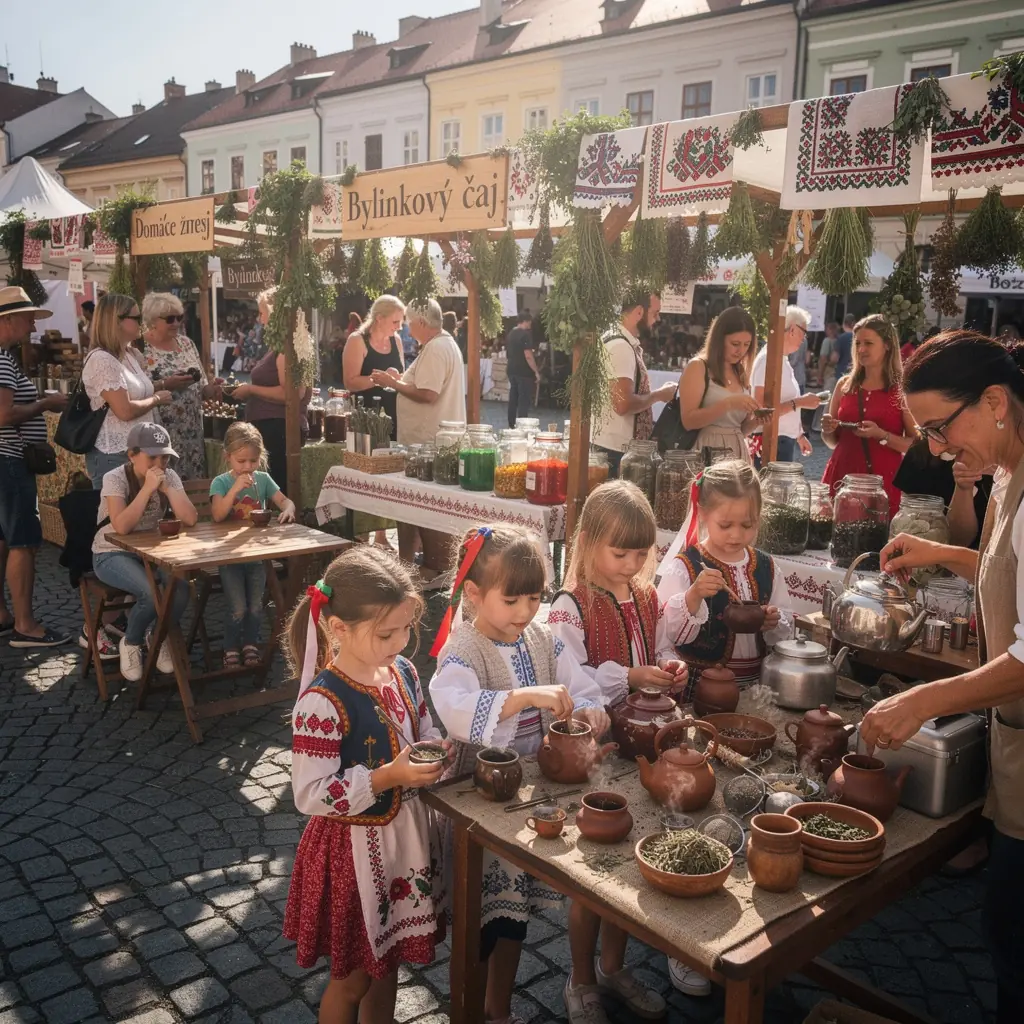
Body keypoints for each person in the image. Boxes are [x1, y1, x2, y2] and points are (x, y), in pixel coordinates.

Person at [861, 331, 1024, 1024]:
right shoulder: (1010, 472)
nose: (932, 448)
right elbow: (1005, 571)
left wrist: (926, 696)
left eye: (937, 427)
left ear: (993, 402)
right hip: (1013, 746)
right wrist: (945, 553)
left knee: (1014, 938)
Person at [430, 525, 611, 1024]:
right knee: (480, 925)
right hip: (479, 807)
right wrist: (530, 696)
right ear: (473, 594)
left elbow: (583, 684)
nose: (525, 612)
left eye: (534, 598)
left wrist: (592, 710)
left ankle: (499, 1010)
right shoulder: (463, 650)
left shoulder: (541, 638)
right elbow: (454, 707)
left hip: (534, 801)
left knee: (512, 922)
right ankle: (467, 1011)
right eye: (512, 600)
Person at [282, 546, 449, 1024]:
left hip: (405, 841)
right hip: (353, 854)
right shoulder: (321, 702)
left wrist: (436, 747)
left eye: (405, 629)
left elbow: (422, 725)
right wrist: (388, 776)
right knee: (353, 977)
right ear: (339, 629)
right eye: (386, 633)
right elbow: (310, 792)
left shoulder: (403, 672)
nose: (400, 641)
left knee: (387, 959)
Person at [550, 481, 695, 1013]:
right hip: (602, 753)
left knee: (633, 861)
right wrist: (628, 676)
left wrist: (669, 665)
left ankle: (614, 968)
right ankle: (581, 978)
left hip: (648, 748)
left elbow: (659, 646)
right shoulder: (571, 606)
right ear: (586, 542)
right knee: (595, 869)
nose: (632, 563)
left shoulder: (646, 596)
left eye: (640, 552)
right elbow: (572, 679)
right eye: (620, 552)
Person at [657, 459, 792, 692]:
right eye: (726, 525)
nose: (736, 535)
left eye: (747, 525)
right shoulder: (686, 567)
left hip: (755, 686)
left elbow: (786, 623)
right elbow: (663, 632)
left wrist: (774, 620)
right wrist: (694, 595)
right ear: (703, 514)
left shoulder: (766, 566)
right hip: (699, 688)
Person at [91, 422, 198, 681]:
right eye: (152, 457)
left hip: (150, 552)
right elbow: (122, 526)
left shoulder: (168, 476)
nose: (159, 464)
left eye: (164, 457)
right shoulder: (114, 478)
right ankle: (131, 642)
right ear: (132, 454)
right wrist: (148, 489)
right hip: (110, 552)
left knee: (181, 589)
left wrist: (169, 489)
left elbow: (191, 518)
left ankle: (157, 635)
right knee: (150, 594)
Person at [0, 285, 70, 648]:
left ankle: (3, 615)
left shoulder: (5, 357)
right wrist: (44, 404)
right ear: (7, 319)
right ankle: (26, 625)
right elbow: (4, 414)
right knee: (24, 542)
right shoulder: (1, 359)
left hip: (7, 460)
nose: (32, 326)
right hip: (10, 460)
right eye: (28, 318)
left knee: (4, 538)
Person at [371, 299, 466, 563]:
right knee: (416, 506)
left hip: (426, 443)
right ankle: (417, 561)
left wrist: (393, 383)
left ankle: (416, 563)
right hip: (431, 439)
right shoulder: (441, 344)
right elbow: (422, 385)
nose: (407, 328)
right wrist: (399, 380)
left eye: (410, 322)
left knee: (415, 506)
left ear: (422, 322)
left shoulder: (436, 348)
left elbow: (427, 393)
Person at [210, 423, 296, 669]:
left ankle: (250, 643)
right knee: (238, 608)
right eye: (241, 461)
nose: (247, 467)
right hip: (230, 556)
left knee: (256, 607)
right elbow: (217, 514)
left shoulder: (263, 479)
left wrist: (288, 509)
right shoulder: (221, 482)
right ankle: (229, 646)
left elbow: (285, 501)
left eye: (253, 460)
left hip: (258, 555)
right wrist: (236, 488)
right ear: (228, 458)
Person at [821, 314, 916, 515]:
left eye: (869, 343)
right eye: (858, 343)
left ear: (887, 345)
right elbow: (832, 441)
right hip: (843, 475)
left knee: (877, 542)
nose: (861, 349)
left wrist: (882, 435)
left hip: (883, 480)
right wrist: (828, 429)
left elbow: (916, 445)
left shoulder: (900, 390)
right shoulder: (844, 385)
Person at [82, 293, 172, 489]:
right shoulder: (102, 360)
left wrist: (165, 384)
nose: (142, 322)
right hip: (114, 455)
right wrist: (157, 398)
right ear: (117, 321)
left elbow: (135, 391)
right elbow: (124, 410)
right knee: (116, 519)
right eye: (137, 318)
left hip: (138, 453)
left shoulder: (128, 355)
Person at [232, 287, 310, 490]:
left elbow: (293, 393)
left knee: (279, 487)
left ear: (275, 314)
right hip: (274, 426)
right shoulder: (287, 344)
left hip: (278, 428)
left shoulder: (287, 347)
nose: (260, 319)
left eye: (262, 312)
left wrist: (251, 390)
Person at [593, 291, 676, 476]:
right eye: (655, 313)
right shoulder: (620, 346)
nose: (658, 318)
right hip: (614, 450)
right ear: (639, 312)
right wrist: (659, 395)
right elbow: (623, 404)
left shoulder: (613, 339)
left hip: (607, 445)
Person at [140, 292, 221, 481]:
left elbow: (202, 387)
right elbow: (136, 390)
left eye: (179, 317)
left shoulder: (186, 344)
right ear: (152, 321)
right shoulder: (139, 348)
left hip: (192, 433)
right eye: (170, 319)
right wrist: (166, 384)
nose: (176, 323)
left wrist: (213, 388)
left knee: (192, 486)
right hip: (160, 433)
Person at [679, 306, 767, 463]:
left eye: (747, 345)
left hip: (737, 453)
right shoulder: (698, 367)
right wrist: (728, 404)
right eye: (735, 343)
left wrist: (755, 423)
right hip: (706, 452)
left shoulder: (741, 372)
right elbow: (688, 421)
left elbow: (737, 429)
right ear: (719, 339)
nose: (740, 350)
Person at [893, 439, 993, 549]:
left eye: (938, 428)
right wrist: (963, 487)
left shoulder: (998, 463)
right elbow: (956, 540)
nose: (934, 449)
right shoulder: (919, 454)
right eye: (927, 431)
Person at [751, 306, 821, 462]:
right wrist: (801, 402)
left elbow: (783, 402)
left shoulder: (780, 359)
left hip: (780, 439)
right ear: (792, 330)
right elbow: (761, 410)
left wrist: (799, 435)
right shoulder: (768, 360)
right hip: (770, 440)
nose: (804, 339)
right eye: (804, 332)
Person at [343, 294, 405, 440]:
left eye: (401, 322)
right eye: (395, 322)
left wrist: (398, 379)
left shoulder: (396, 340)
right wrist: (380, 379)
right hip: (366, 419)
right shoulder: (357, 340)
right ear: (379, 318)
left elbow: (401, 376)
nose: (399, 327)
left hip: (394, 417)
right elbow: (349, 382)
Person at [505, 312, 538, 429]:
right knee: (524, 399)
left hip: (511, 369)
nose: (530, 324)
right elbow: (528, 355)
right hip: (524, 371)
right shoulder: (525, 335)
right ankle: (522, 424)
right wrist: (536, 371)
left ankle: (511, 423)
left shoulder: (511, 334)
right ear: (526, 321)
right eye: (529, 322)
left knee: (513, 397)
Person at [818, 321, 840, 392]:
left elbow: (823, 359)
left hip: (829, 373)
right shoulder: (840, 341)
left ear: (830, 330)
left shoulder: (827, 341)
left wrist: (820, 375)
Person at [834, 313, 856, 378]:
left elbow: (835, 358)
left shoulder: (841, 338)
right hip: (856, 373)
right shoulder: (859, 337)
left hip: (842, 372)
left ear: (844, 324)